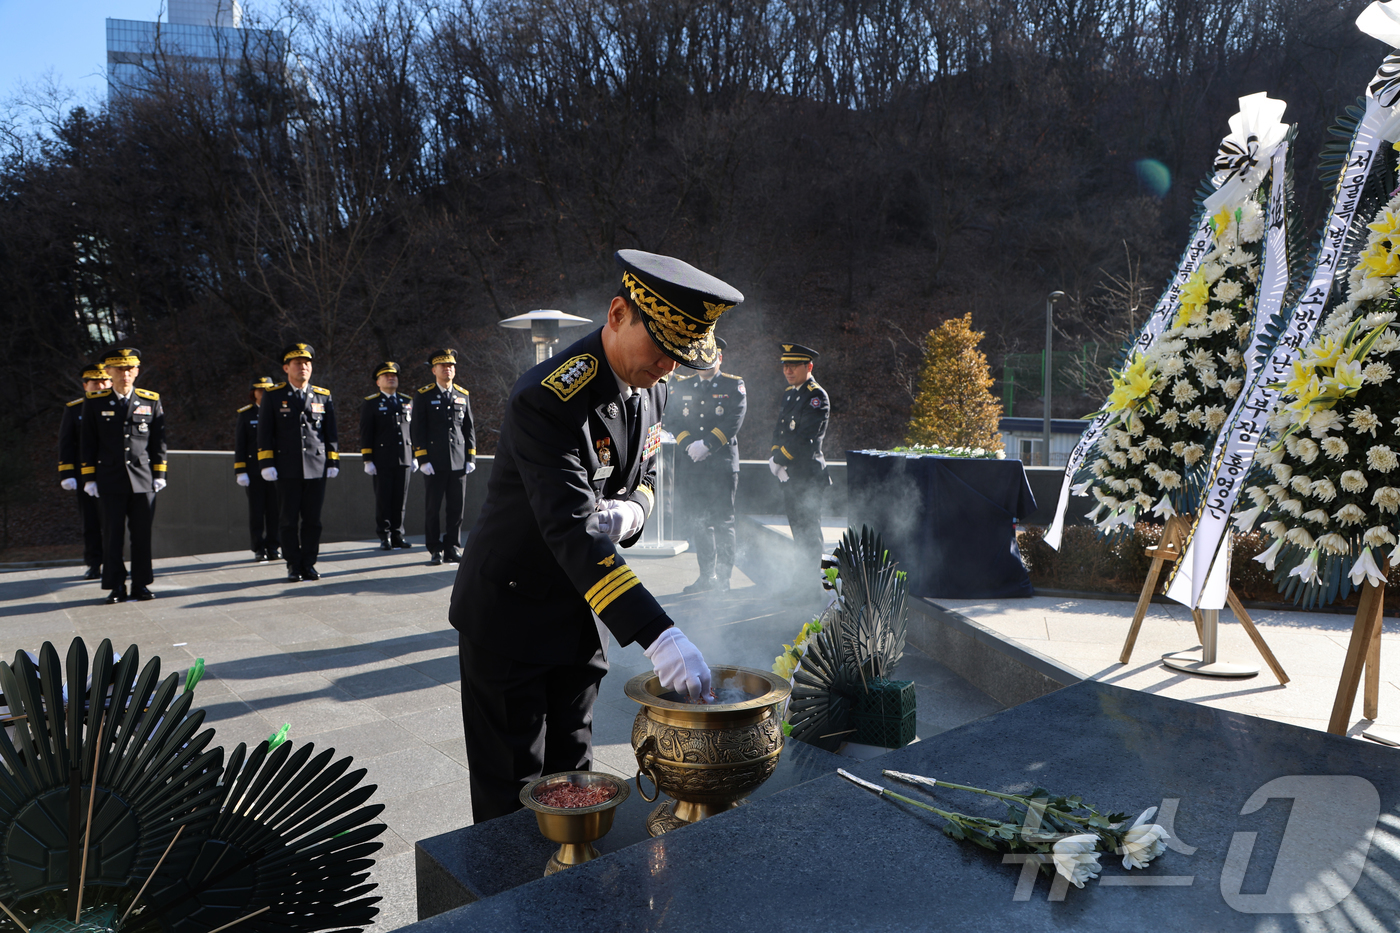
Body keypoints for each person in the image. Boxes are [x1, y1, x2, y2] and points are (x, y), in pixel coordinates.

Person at [449, 248, 743, 822]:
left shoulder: (651, 383)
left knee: (575, 776)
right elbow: (572, 529)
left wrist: (635, 510)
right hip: (511, 613)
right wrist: (659, 635)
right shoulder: (546, 398)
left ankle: (571, 888)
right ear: (616, 315)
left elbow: (647, 471)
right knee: (514, 795)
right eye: (660, 350)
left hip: (580, 609)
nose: (667, 369)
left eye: (680, 359)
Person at [80, 347, 167, 603]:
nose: (125, 373)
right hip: (110, 479)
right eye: (119, 369)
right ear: (108, 371)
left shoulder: (150, 399)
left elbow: (158, 440)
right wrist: (89, 478)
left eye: (130, 368)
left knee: (142, 536)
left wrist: (159, 472)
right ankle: (116, 585)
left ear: (137, 371)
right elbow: (88, 442)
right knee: (113, 536)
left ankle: (141, 584)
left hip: (142, 479)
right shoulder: (95, 401)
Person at [667, 336, 746, 593]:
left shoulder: (734, 386)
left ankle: (723, 580)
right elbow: (672, 419)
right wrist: (689, 444)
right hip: (693, 464)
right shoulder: (683, 385)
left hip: (721, 464)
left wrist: (708, 445)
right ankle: (706, 577)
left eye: (711, 356)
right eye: (701, 356)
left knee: (723, 522)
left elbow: (733, 420)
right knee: (700, 522)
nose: (706, 361)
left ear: (719, 358)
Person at [257, 342, 339, 582]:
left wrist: (333, 461)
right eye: (297, 363)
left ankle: (309, 563)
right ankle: (293, 564)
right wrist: (266, 463)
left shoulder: (322, 396)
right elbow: (265, 433)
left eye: (307, 363)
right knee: (288, 520)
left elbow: (330, 432)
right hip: (286, 468)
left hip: (316, 466)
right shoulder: (273, 396)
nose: (303, 367)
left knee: (313, 521)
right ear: (286, 368)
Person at [770, 343, 831, 585]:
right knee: (798, 533)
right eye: (786, 365)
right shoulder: (790, 393)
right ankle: (801, 584)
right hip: (792, 476)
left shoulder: (816, 396)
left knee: (809, 535)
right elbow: (780, 431)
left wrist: (780, 459)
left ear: (809, 366)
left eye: (794, 366)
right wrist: (776, 456)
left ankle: (810, 587)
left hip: (808, 477)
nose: (788, 370)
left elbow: (806, 437)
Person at [412, 349, 475, 566]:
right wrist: (422, 459)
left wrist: (470, 457)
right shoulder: (424, 394)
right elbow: (417, 429)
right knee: (433, 507)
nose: (447, 369)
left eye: (451, 366)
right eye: (442, 366)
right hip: (434, 462)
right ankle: (434, 547)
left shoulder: (462, 394)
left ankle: (452, 546)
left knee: (456, 507)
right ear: (434, 370)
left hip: (458, 461)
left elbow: (469, 429)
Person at [59, 363, 111, 580]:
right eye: (95, 382)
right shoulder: (74, 409)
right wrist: (66, 473)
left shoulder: (118, 405)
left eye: (104, 381)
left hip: (112, 473)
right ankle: (94, 562)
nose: (100, 385)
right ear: (85, 385)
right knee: (90, 522)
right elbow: (66, 444)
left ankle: (113, 562)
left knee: (113, 522)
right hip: (85, 476)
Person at [361, 361, 416, 550]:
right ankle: (384, 536)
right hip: (382, 459)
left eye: (393, 376)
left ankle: (398, 534)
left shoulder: (406, 401)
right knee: (384, 499)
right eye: (386, 376)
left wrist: (416, 455)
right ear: (378, 382)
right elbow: (366, 432)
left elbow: (413, 430)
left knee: (400, 499)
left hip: (405, 457)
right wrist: (368, 459)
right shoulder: (372, 403)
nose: (391, 378)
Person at [234, 376, 280, 562]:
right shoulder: (246, 414)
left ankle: (274, 546)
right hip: (253, 471)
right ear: (253, 393)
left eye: (268, 390)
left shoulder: (279, 412)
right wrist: (240, 470)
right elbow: (240, 445)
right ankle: (258, 547)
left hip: (275, 469)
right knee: (256, 511)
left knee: (275, 510)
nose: (264, 393)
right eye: (260, 390)